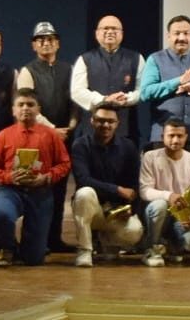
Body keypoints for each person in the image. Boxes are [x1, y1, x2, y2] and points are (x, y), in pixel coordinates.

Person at [0, 88, 71, 266]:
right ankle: (9, 248)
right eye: (21, 104)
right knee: (1, 214)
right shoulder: (4, 135)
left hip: (40, 192)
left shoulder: (50, 135)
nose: (25, 108)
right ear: (13, 110)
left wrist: (47, 177)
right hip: (11, 190)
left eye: (30, 104)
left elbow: (65, 164)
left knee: (33, 259)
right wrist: (9, 177)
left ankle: (28, 250)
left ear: (38, 109)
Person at [17, 21, 78, 253]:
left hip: (65, 138)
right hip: (39, 137)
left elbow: (75, 103)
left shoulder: (69, 70)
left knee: (60, 188)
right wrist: (53, 129)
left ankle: (55, 239)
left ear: (58, 43)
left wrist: (71, 127)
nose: (46, 43)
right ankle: (34, 240)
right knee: (37, 189)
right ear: (34, 45)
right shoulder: (27, 71)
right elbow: (27, 106)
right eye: (41, 39)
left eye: (51, 39)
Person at [71, 101, 143, 267]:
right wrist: (117, 190)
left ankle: (107, 241)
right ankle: (85, 250)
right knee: (85, 193)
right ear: (92, 121)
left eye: (111, 121)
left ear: (118, 123)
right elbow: (83, 180)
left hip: (116, 210)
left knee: (134, 231)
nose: (105, 125)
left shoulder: (128, 147)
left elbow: (134, 185)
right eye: (101, 120)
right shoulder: (81, 145)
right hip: (92, 207)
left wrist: (130, 207)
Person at [140, 15, 190, 158]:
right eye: (177, 33)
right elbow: (146, 92)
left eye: (186, 33)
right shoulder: (155, 59)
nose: (182, 38)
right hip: (164, 136)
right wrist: (178, 81)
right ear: (168, 36)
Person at [139, 118, 190, 267]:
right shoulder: (150, 157)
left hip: (181, 213)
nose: (175, 140)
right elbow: (145, 191)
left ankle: (174, 248)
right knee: (159, 205)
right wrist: (168, 196)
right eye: (171, 135)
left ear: (186, 137)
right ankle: (152, 248)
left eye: (180, 136)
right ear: (162, 136)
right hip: (157, 213)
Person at [71, 15, 144, 146]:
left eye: (115, 29)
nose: (110, 32)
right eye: (105, 28)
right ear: (97, 33)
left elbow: (143, 90)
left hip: (126, 131)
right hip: (92, 131)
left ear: (122, 34)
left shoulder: (136, 58)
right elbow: (77, 91)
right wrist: (104, 100)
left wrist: (125, 99)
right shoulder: (85, 59)